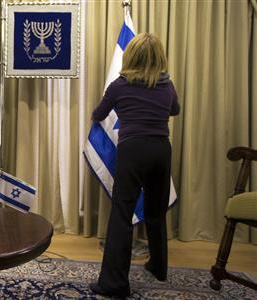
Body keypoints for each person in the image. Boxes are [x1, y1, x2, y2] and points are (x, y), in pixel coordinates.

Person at [89, 32, 180, 298]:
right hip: (161, 151)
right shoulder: (167, 85)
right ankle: (159, 267)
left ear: (130, 55)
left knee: (121, 214)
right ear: (159, 57)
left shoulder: (119, 85)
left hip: (132, 151)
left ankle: (115, 284)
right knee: (155, 211)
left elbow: (98, 114)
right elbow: (175, 110)